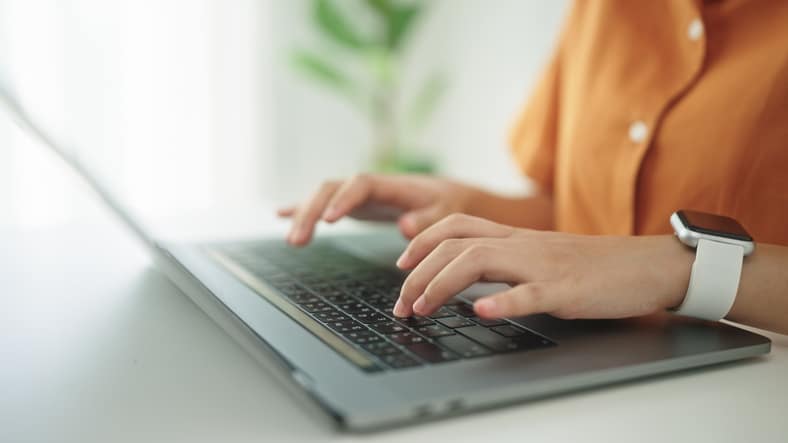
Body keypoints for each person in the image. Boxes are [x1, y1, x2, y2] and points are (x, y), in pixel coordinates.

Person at [278, 1, 788, 335]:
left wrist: (678, 269)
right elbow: (585, 218)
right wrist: (458, 205)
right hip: (594, 360)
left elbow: (629, 260)